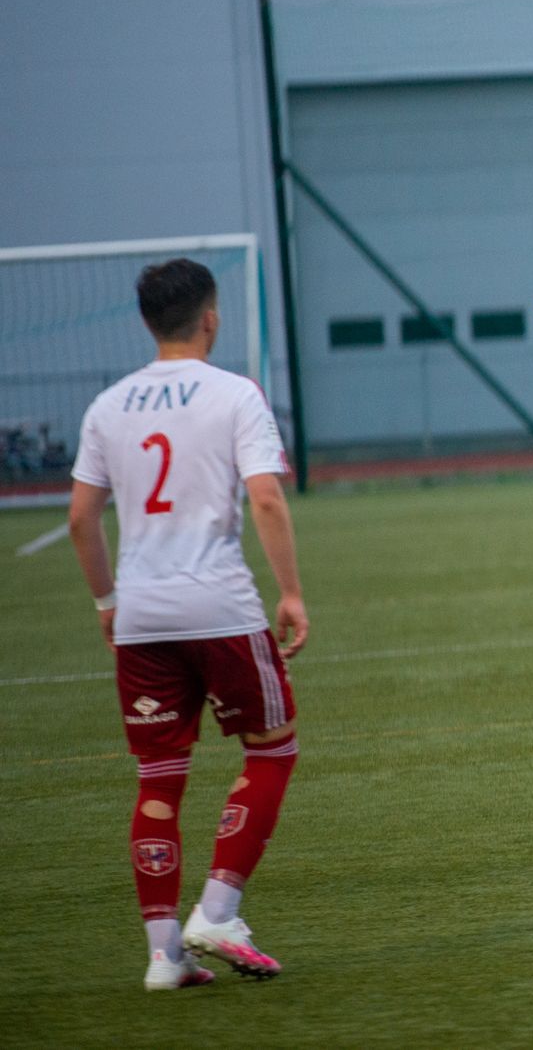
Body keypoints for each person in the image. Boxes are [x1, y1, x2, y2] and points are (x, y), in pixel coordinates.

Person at [68, 258, 309, 991]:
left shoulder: (108, 405)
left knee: (158, 778)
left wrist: (108, 604)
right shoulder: (235, 393)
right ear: (211, 316)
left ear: (147, 321)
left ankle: (164, 954)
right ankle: (220, 909)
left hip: (141, 615)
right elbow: (265, 498)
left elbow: (82, 517)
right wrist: (292, 592)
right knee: (271, 751)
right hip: (220, 606)